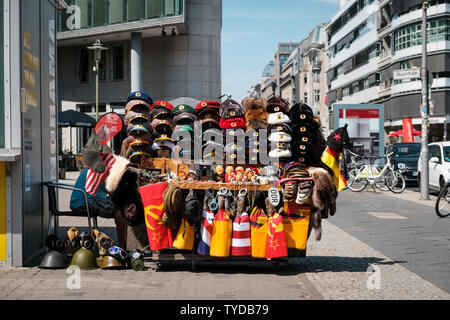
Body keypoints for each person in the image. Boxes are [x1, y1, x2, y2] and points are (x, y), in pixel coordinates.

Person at [70, 167, 127, 248]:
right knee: (119, 210)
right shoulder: (102, 168)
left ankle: (125, 243)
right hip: (83, 202)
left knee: (123, 207)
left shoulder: (98, 165)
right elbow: (112, 191)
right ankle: (123, 245)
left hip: (89, 200)